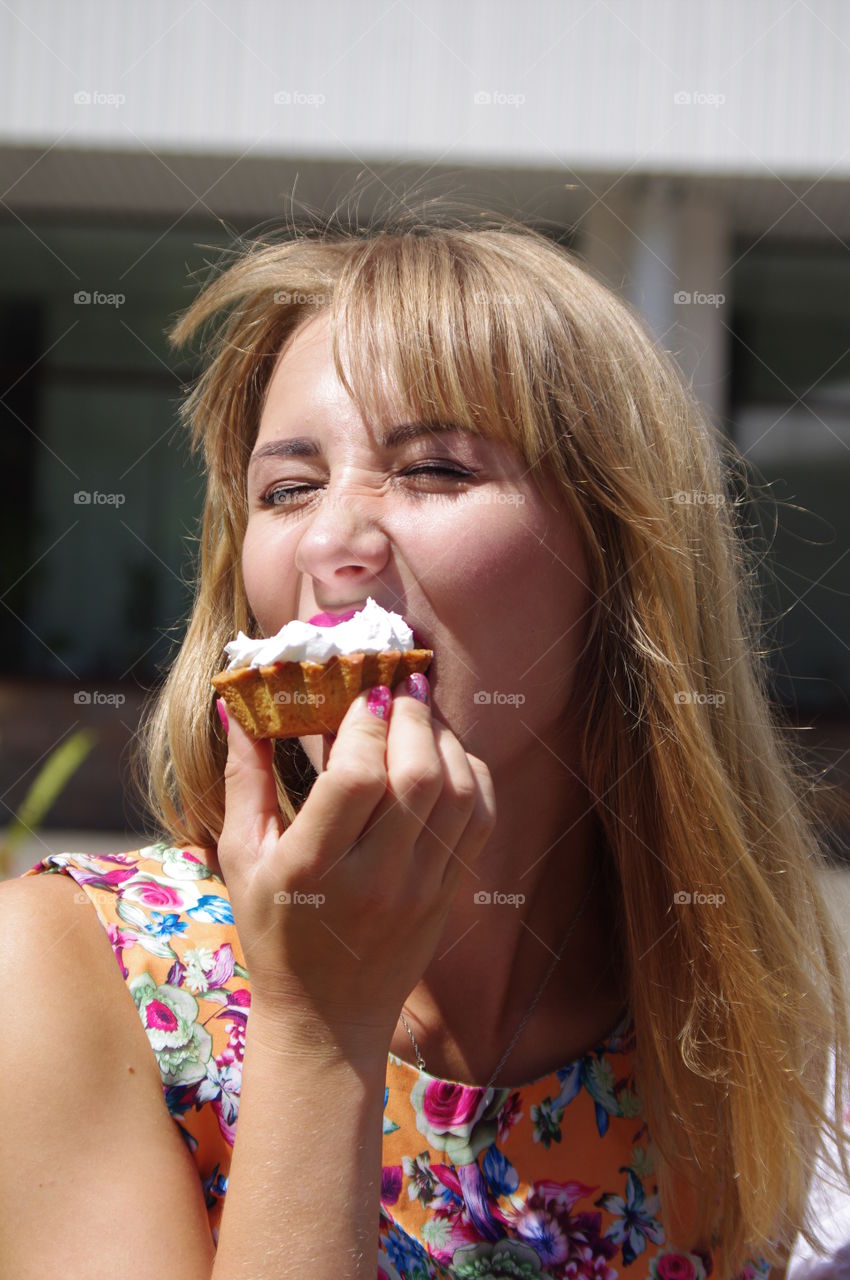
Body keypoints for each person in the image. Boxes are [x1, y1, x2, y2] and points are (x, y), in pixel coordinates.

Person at [2, 206, 848, 1280]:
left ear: (620, 557)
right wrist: (319, 1031)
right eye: (288, 488)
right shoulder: (64, 974)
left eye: (436, 469)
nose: (332, 542)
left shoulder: (720, 1030)